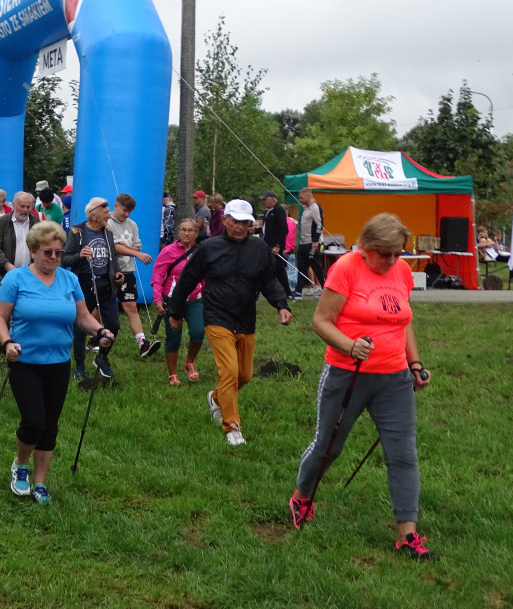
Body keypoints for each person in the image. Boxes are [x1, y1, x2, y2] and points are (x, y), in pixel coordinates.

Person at [290, 213, 437, 561]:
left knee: (402, 454)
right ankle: (302, 495)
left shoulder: (399, 271)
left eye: (397, 254)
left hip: (394, 377)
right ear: (367, 247)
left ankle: (408, 534)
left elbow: (404, 321)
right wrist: (349, 345)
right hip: (348, 373)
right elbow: (321, 321)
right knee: (329, 445)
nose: (391, 261)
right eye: (384, 254)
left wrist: (414, 363)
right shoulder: (346, 268)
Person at [0, 220, 115, 503]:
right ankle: (20, 465)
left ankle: (40, 482)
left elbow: (82, 317)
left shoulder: (69, 280)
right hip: (25, 361)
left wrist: (100, 330)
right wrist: (7, 342)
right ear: (33, 251)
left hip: (58, 362)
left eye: (59, 253)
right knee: (33, 421)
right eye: (48, 253)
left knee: (50, 424)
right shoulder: (16, 279)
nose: (54, 258)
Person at [168, 198, 292, 446]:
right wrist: (176, 312)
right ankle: (232, 427)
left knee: (244, 375)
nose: (239, 227)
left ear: (251, 225)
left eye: (244, 223)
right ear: (225, 220)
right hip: (216, 317)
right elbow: (187, 280)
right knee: (229, 372)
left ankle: (215, 398)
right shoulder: (208, 248)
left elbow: (269, 280)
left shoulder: (259, 249)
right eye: (234, 221)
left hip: (245, 319)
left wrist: (281, 305)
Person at [62, 197, 123, 381]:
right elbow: (64, 259)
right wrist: (79, 255)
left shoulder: (108, 232)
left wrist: (117, 272)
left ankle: (102, 358)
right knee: (80, 326)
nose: (109, 215)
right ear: (93, 214)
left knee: (113, 325)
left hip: (106, 285)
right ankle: (79, 367)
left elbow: (113, 257)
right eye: (106, 213)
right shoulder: (76, 232)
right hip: (84, 285)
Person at [108, 193, 160, 358]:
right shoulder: (107, 222)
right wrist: (132, 252)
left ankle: (142, 343)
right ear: (116, 206)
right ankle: (92, 338)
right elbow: (114, 247)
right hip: (109, 270)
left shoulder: (132, 225)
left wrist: (128, 249)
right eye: (124, 210)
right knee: (101, 306)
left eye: (130, 211)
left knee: (130, 306)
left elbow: (136, 246)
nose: (127, 214)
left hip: (127, 271)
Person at [152, 220, 204, 385]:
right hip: (172, 300)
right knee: (173, 337)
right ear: (178, 232)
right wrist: (158, 299)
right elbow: (158, 275)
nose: (187, 233)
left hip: (195, 299)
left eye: (190, 230)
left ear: (196, 233)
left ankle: (189, 362)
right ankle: (172, 373)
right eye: (183, 230)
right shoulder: (168, 251)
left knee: (198, 332)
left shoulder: (202, 251)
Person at [0, 191, 43, 280]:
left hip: (31, 274)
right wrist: (6, 265)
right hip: (7, 274)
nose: (25, 210)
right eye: (22, 206)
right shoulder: (1, 222)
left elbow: (41, 245)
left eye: (28, 207)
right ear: (14, 205)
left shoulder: (36, 222)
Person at [260, 191, 291, 299]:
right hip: (266, 244)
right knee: (270, 269)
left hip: (275, 246)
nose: (263, 202)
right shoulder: (267, 212)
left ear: (272, 199)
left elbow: (283, 229)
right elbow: (266, 228)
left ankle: (287, 293)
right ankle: (272, 291)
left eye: (265, 199)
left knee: (279, 270)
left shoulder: (279, 210)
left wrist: (277, 245)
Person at [297, 188, 326, 298]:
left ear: (308, 195)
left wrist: (315, 240)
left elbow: (319, 225)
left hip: (311, 242)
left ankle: (325, 289)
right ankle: (298, 292)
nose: (300, 200)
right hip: (303, 242)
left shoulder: (315, 207)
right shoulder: (306, 209)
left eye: (302, 197)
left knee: (316, 267)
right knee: (301, 266)